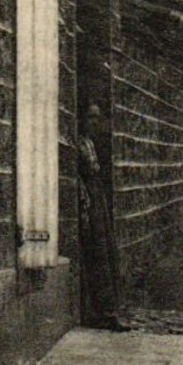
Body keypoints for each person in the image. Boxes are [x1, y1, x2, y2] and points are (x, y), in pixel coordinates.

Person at [77, 104, 128, 330]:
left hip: (98, 196)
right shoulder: (79, 143)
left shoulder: (90, 142)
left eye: (98, 118)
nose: (95, 122)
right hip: (89, 196)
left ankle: (108, 310)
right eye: (91, 117)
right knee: (97, 252)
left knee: (106, 251)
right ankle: (102, 311)